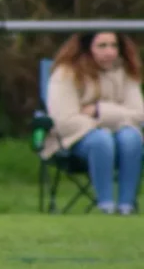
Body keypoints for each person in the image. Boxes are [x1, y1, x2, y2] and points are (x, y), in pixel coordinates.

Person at [43, 31, 144, 214]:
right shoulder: (65, 73)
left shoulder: (127, 71)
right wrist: (108, 124)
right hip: (73, 140)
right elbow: (65, 121)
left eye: (114, 46)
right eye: (102, 46)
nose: (110, 52)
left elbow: (139, 115)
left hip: (119, 135)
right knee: (102, 140)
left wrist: (99, 111)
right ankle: (105, 206)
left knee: (132, 139)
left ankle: (126, 206)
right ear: (87, 48)